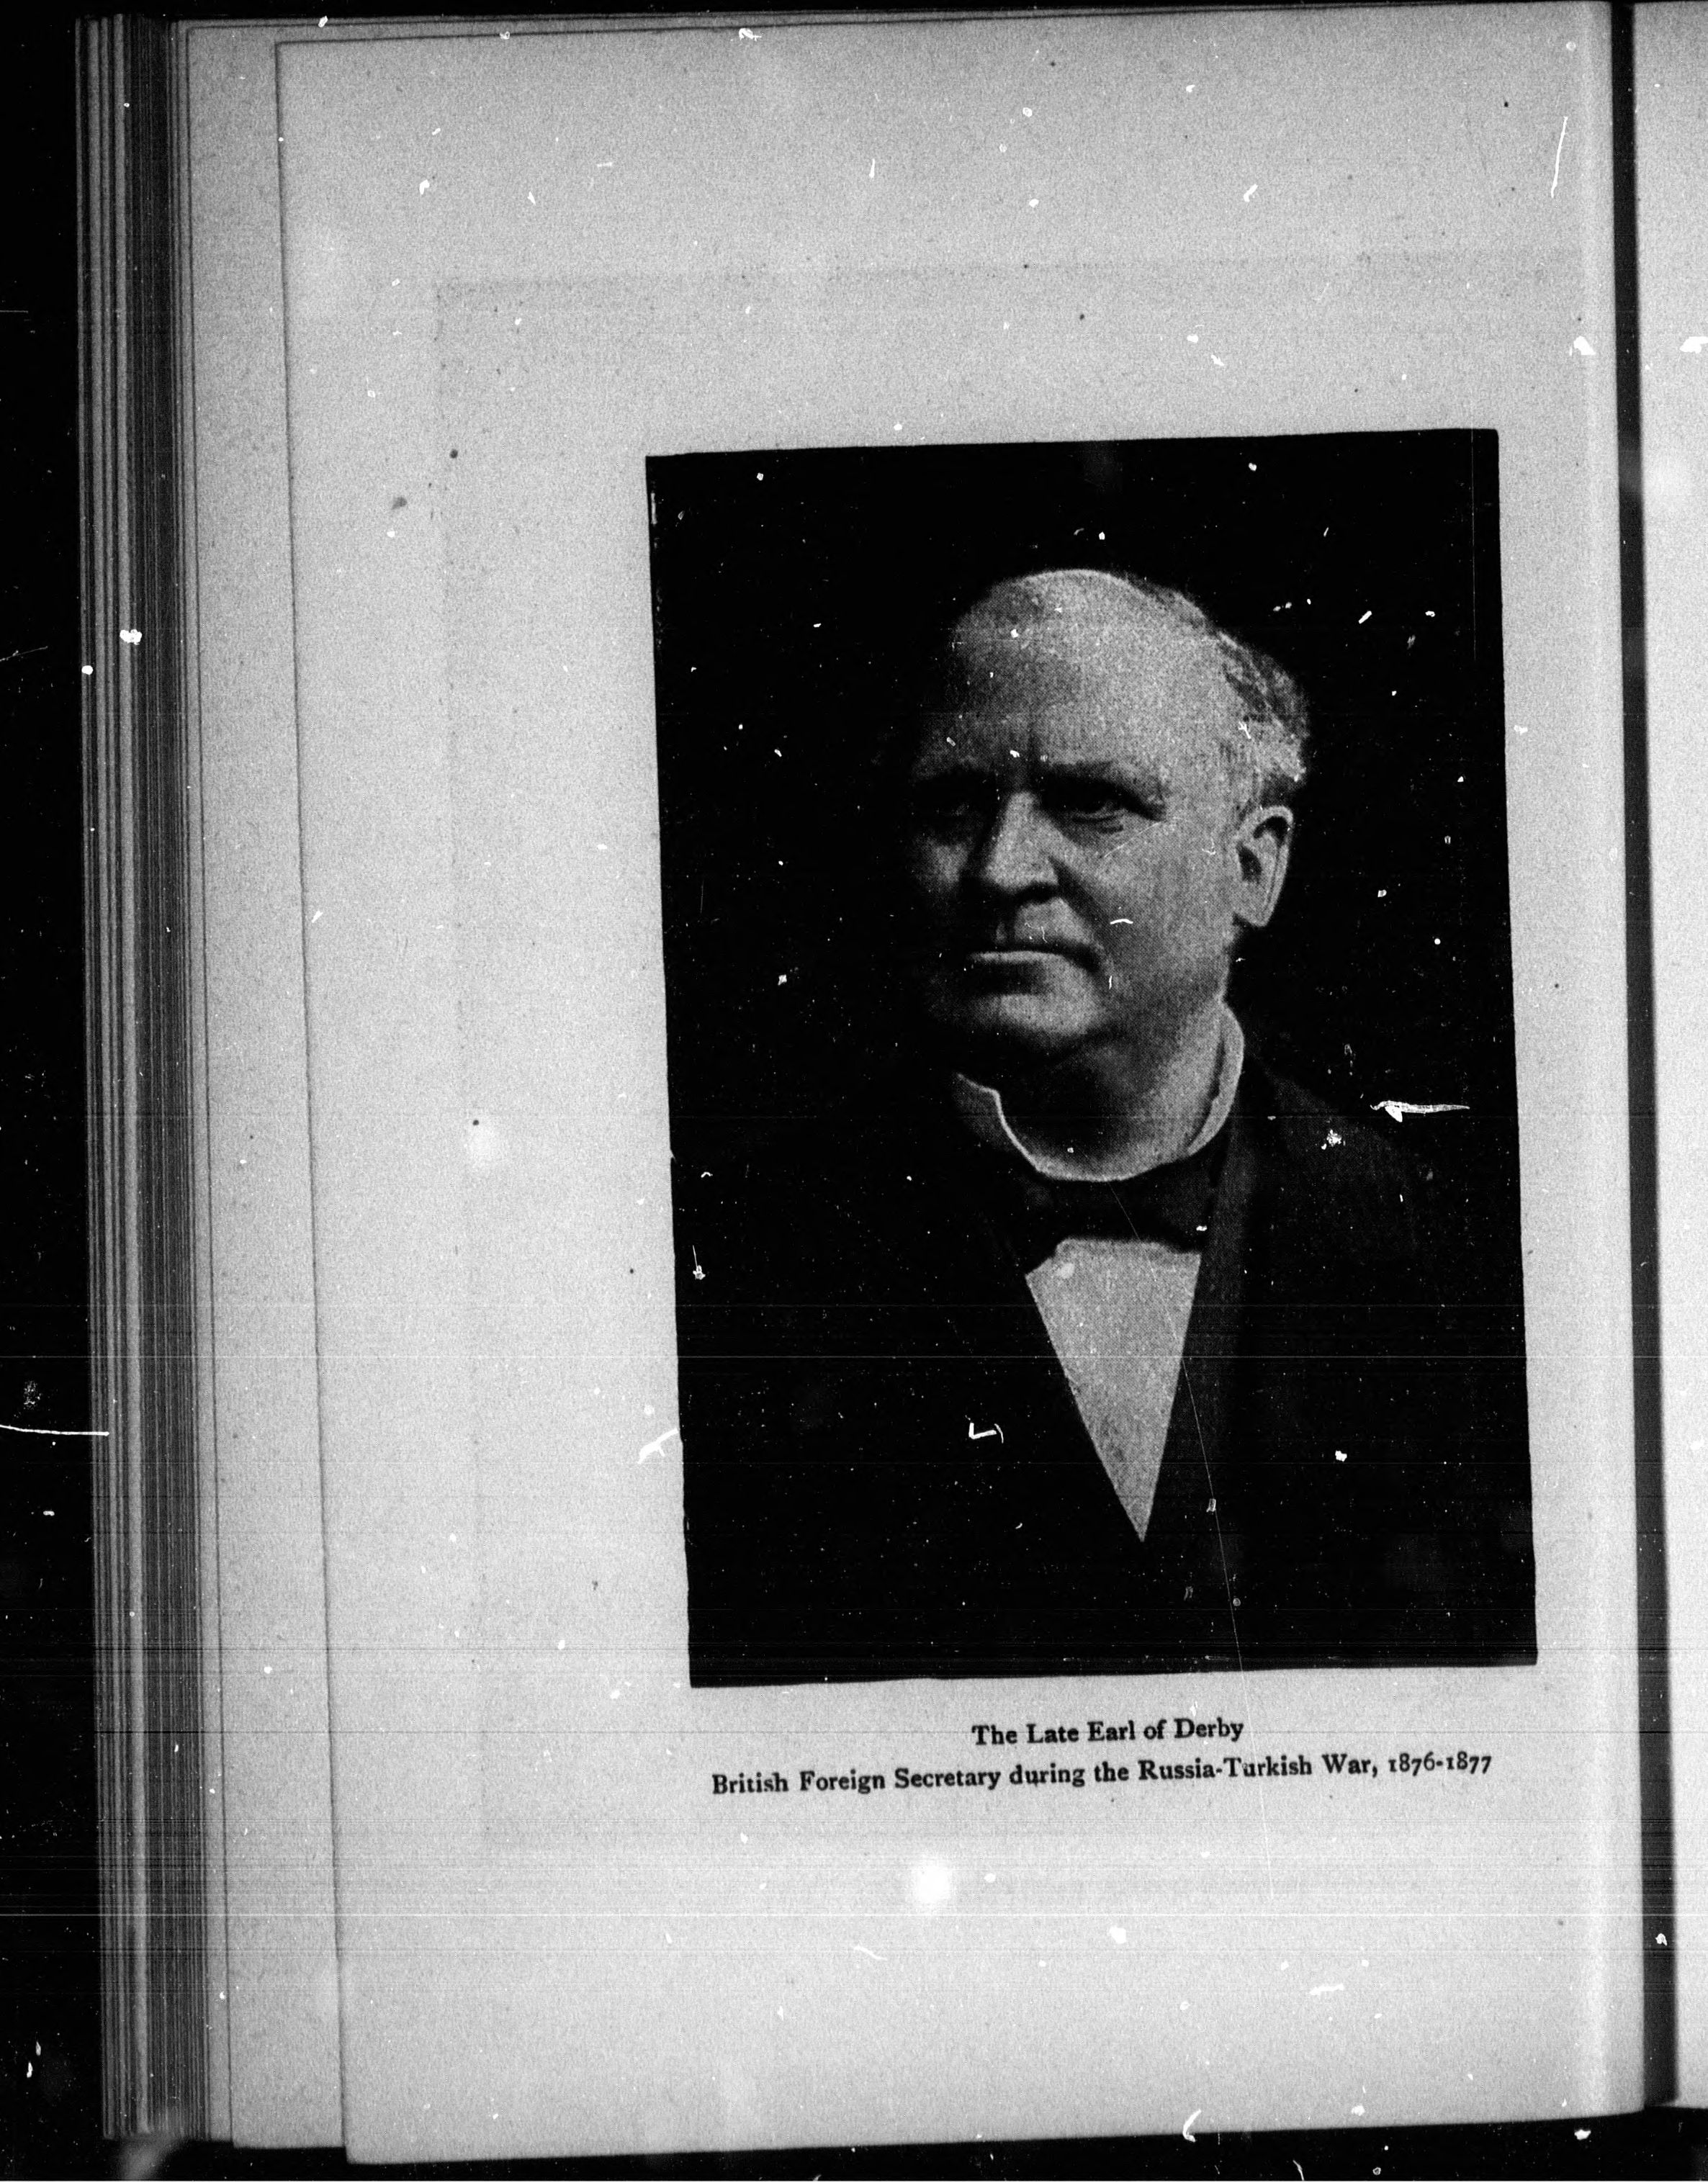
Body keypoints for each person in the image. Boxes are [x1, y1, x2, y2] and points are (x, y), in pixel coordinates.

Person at [676, 568, 1534, 1685]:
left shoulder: (1454, 1249)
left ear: (1253, 865)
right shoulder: (732, 1259)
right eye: (953, 804)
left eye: (1092, 803)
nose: (1000, 870)